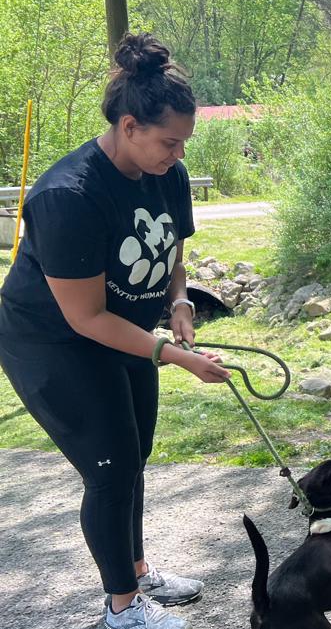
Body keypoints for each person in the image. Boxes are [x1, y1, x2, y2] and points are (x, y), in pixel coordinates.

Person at [0, 33, 231, 629]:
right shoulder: (67, 196)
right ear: (129, 126)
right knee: (108, 464)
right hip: (53, 342)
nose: (177, 154)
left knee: (135, 455)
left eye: (184, 142)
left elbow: (172, 251)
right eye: (168, 141)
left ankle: (137, 571)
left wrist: (179, 302)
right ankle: (121, 607)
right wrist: (174, 357)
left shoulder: (167, 175)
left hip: (123, 329)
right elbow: (83, 317)